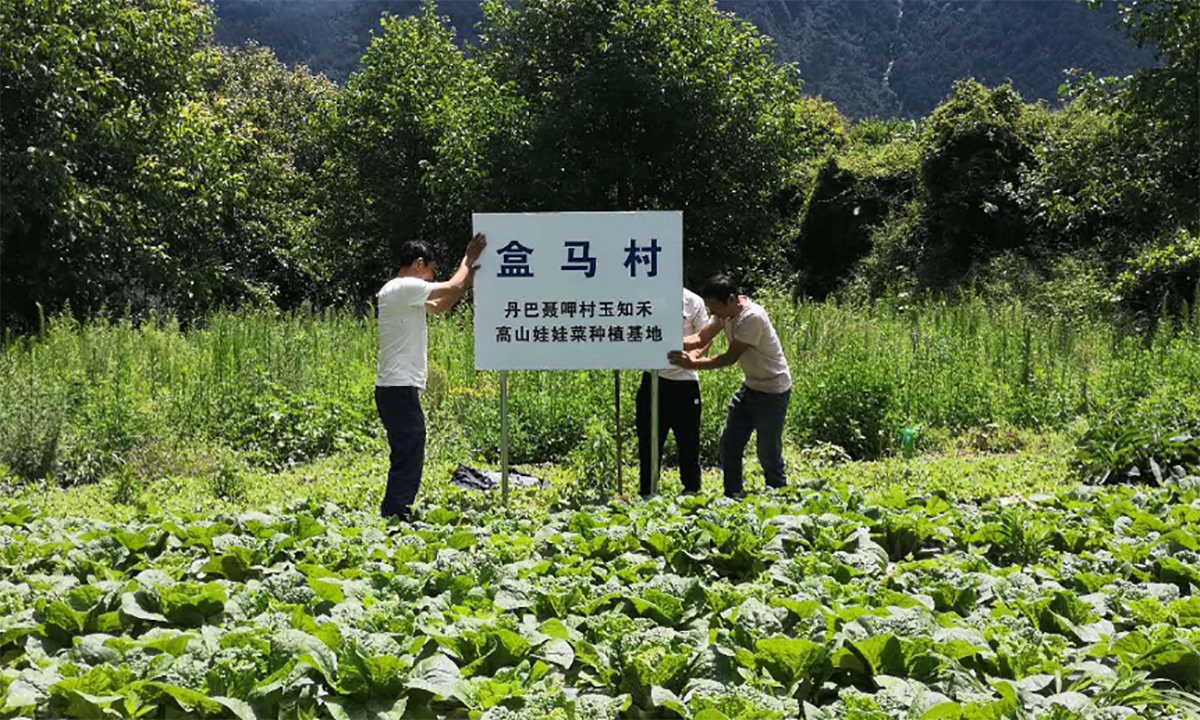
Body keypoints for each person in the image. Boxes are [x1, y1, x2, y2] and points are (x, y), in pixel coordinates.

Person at [376, 233, 486, 523]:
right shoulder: (404, 286)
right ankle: (396, 512)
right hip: (398, 386)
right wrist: (468, 259)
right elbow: (450, 285)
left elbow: (439, 306)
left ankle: (396, 508)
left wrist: (465, 283)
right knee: (409, 449)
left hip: (396, 387)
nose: (431, 277)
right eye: (431, 270)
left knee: (407, 448)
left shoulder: (399, 291)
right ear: (419, 263)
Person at [668, 274, 792, 498]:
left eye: (715, 309)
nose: (714, 315)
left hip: (774, 390)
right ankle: (733, 495)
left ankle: (780, 496)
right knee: (729, 444)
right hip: (751, 387)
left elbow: (729, 358)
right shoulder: (724, 313)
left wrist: (693, 363)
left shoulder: (752, 317)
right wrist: (665, 339)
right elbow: (700, 339)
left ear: (732, 300)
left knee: (767, 451)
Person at [637, 288, 711, 497]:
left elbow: (706, 337)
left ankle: (692, 494)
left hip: (685, 383)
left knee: (689, 444)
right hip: (652, 379)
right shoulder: (645, 296)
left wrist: (693, 357)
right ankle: (647, 493)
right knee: (649, 444)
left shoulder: (693, 301)